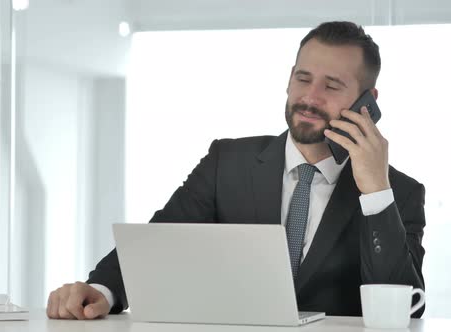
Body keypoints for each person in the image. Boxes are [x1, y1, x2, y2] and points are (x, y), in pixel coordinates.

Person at [46, 21, 426, 320]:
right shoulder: (226, 162)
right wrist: (102, 290)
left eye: (332, 86)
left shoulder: (399, 193)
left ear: (367, 102)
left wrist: (376, 190)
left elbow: (407, 308)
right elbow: (158, 242)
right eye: (303, 78)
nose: (310, 98)